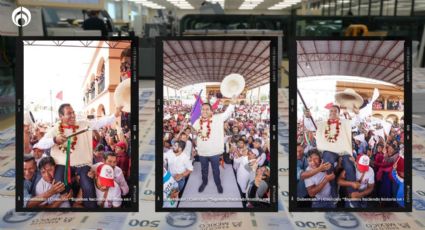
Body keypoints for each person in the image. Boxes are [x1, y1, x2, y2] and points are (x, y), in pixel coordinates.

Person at [36, 103, 123, 208]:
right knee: (59, 183)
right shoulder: (55, 129)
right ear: (61, 116)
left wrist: (115, 115)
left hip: (82, 163)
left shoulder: (82, 124)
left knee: (88, 186)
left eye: (73, 112)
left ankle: (91, 212)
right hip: (62, 164)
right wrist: (55, 139)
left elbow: (98, 123)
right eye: (69, 113)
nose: (73, 115)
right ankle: (74, 205)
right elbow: (40, 144)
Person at [193, 96, 236, 194]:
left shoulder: (218, 118)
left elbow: (227, 113)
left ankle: (218, 184)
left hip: (214, 152)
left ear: (211, 111)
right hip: (203, 152)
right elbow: (194, 132)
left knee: (216, 170)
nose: (204, 111)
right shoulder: (197, 121)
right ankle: (204, 182)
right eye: (203, 109)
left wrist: (232, 103)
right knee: (204, 170)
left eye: (207, 109)